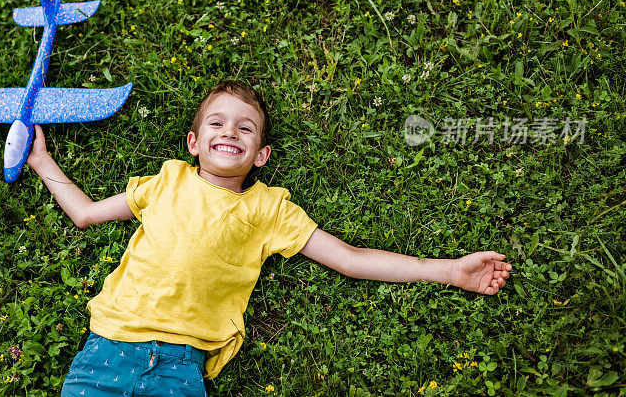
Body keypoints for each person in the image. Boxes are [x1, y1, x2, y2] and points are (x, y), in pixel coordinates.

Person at [27, 80, 512, 396]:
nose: (230, 132)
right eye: (216, 124)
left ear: (260, 154)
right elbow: (87, 214)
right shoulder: (166, 181)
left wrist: (448, 271)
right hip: (106, 348)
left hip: (179, 366)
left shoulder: (269, 208)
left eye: (246, 128)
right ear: (194, 143)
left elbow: (349, 258)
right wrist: (41, 161)